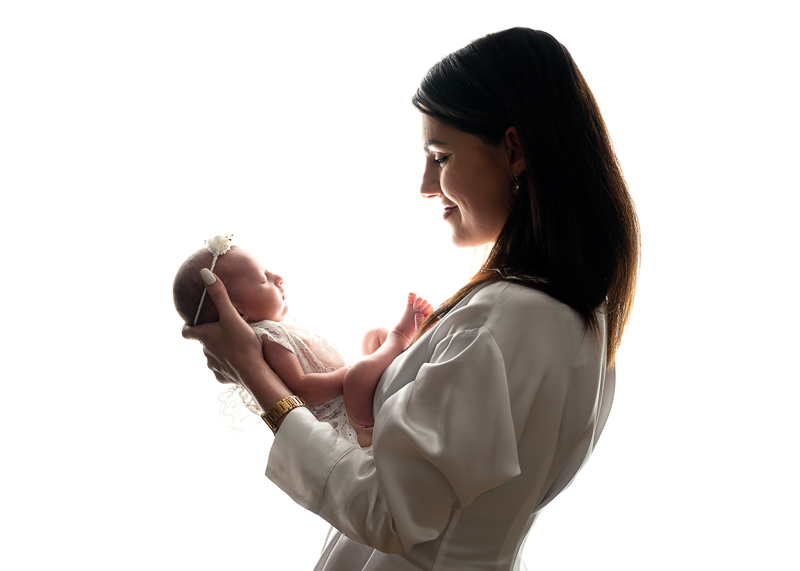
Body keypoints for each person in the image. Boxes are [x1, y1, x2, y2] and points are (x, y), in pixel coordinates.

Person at [183, 27, 639, 570]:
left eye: (441, 156)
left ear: (514, 150)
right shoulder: (579, 318)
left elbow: (388, 513)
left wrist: (251, 370)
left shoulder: (505, 319)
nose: (426, 184)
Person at [173, 237, 433, 449]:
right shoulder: (267, 339)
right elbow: (302, 388)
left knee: (372, 337)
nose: (277, 277)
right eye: (263, 279)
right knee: (359, 373)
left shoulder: (276, 330)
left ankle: (399, 352)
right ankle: (400, 338)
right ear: (238, 313)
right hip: (346, 413)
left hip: (350, 396)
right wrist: (347, 374)